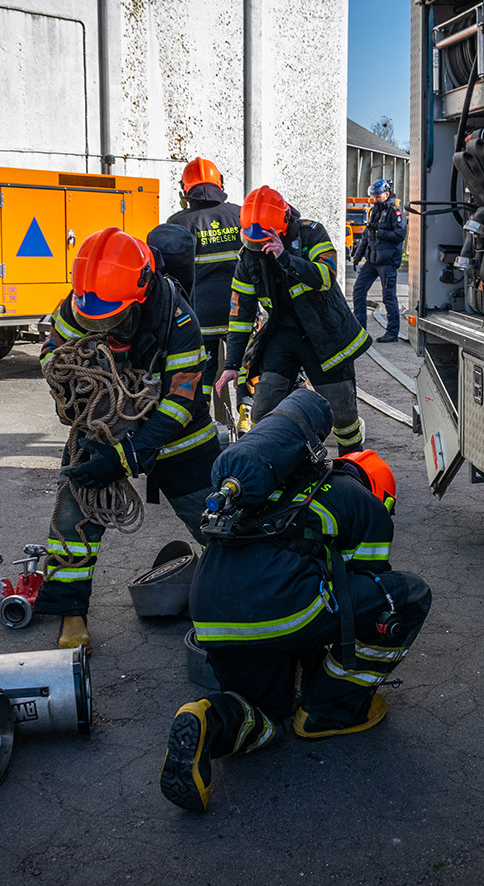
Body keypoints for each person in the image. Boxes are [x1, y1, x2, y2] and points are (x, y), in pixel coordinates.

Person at [159, 390, 431, 813]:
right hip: (279, 606)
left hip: (212, 615)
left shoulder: (275, 482)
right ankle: (330, 711)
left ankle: (209, 719)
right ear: (382, 493)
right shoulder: (364, 504)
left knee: (264, 715)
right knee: (403, 598)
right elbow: (366, 591)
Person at [35, 227, 220, 653]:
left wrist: (128, 456)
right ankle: (71, 610)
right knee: (73, 518)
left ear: (139, 294)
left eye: (110, 317)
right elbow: (53, 350)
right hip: (101, 426)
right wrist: (70, 377)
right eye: (90, 316)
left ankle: (248, 589)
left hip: (180, 437)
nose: (98, 324)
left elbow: (182, 401)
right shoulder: (80, 303)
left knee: (216, 520)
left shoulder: (178, 318)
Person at [215, 185, 371, 455]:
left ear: (283, 225)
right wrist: (231, 364)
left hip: (324, 335)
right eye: (251, 241)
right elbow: (240, 314)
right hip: (283, 335)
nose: (257, 246)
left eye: (262, 240)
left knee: (343, 414)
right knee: (262, 412)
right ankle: (274, 469)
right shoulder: (248, 258)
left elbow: (326, 277)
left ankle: (354, 464)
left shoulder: (312, 233)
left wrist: (285, 258)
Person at [165, 157, 242, 401]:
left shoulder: (178, 223)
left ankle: (203, 420)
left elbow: (171, 275)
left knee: (203, 373)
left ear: (185, 190)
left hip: (200, 317)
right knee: (247, 367)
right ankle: (246, 413)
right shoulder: (240, 215)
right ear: (220, 185)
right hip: (241, 313)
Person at [352, 178, 407, 344]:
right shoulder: (373, 211)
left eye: (377, 196)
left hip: (387, 262)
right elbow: (366, 237)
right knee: (358, 291)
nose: (375, 199)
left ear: (387, 194)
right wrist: (357, 256)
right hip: (372, 261)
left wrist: (380, 233)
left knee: (388, 297)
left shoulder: (395, 212)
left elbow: (400, 235)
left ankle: (392, 333)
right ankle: (359, 330)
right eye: (373, 196)